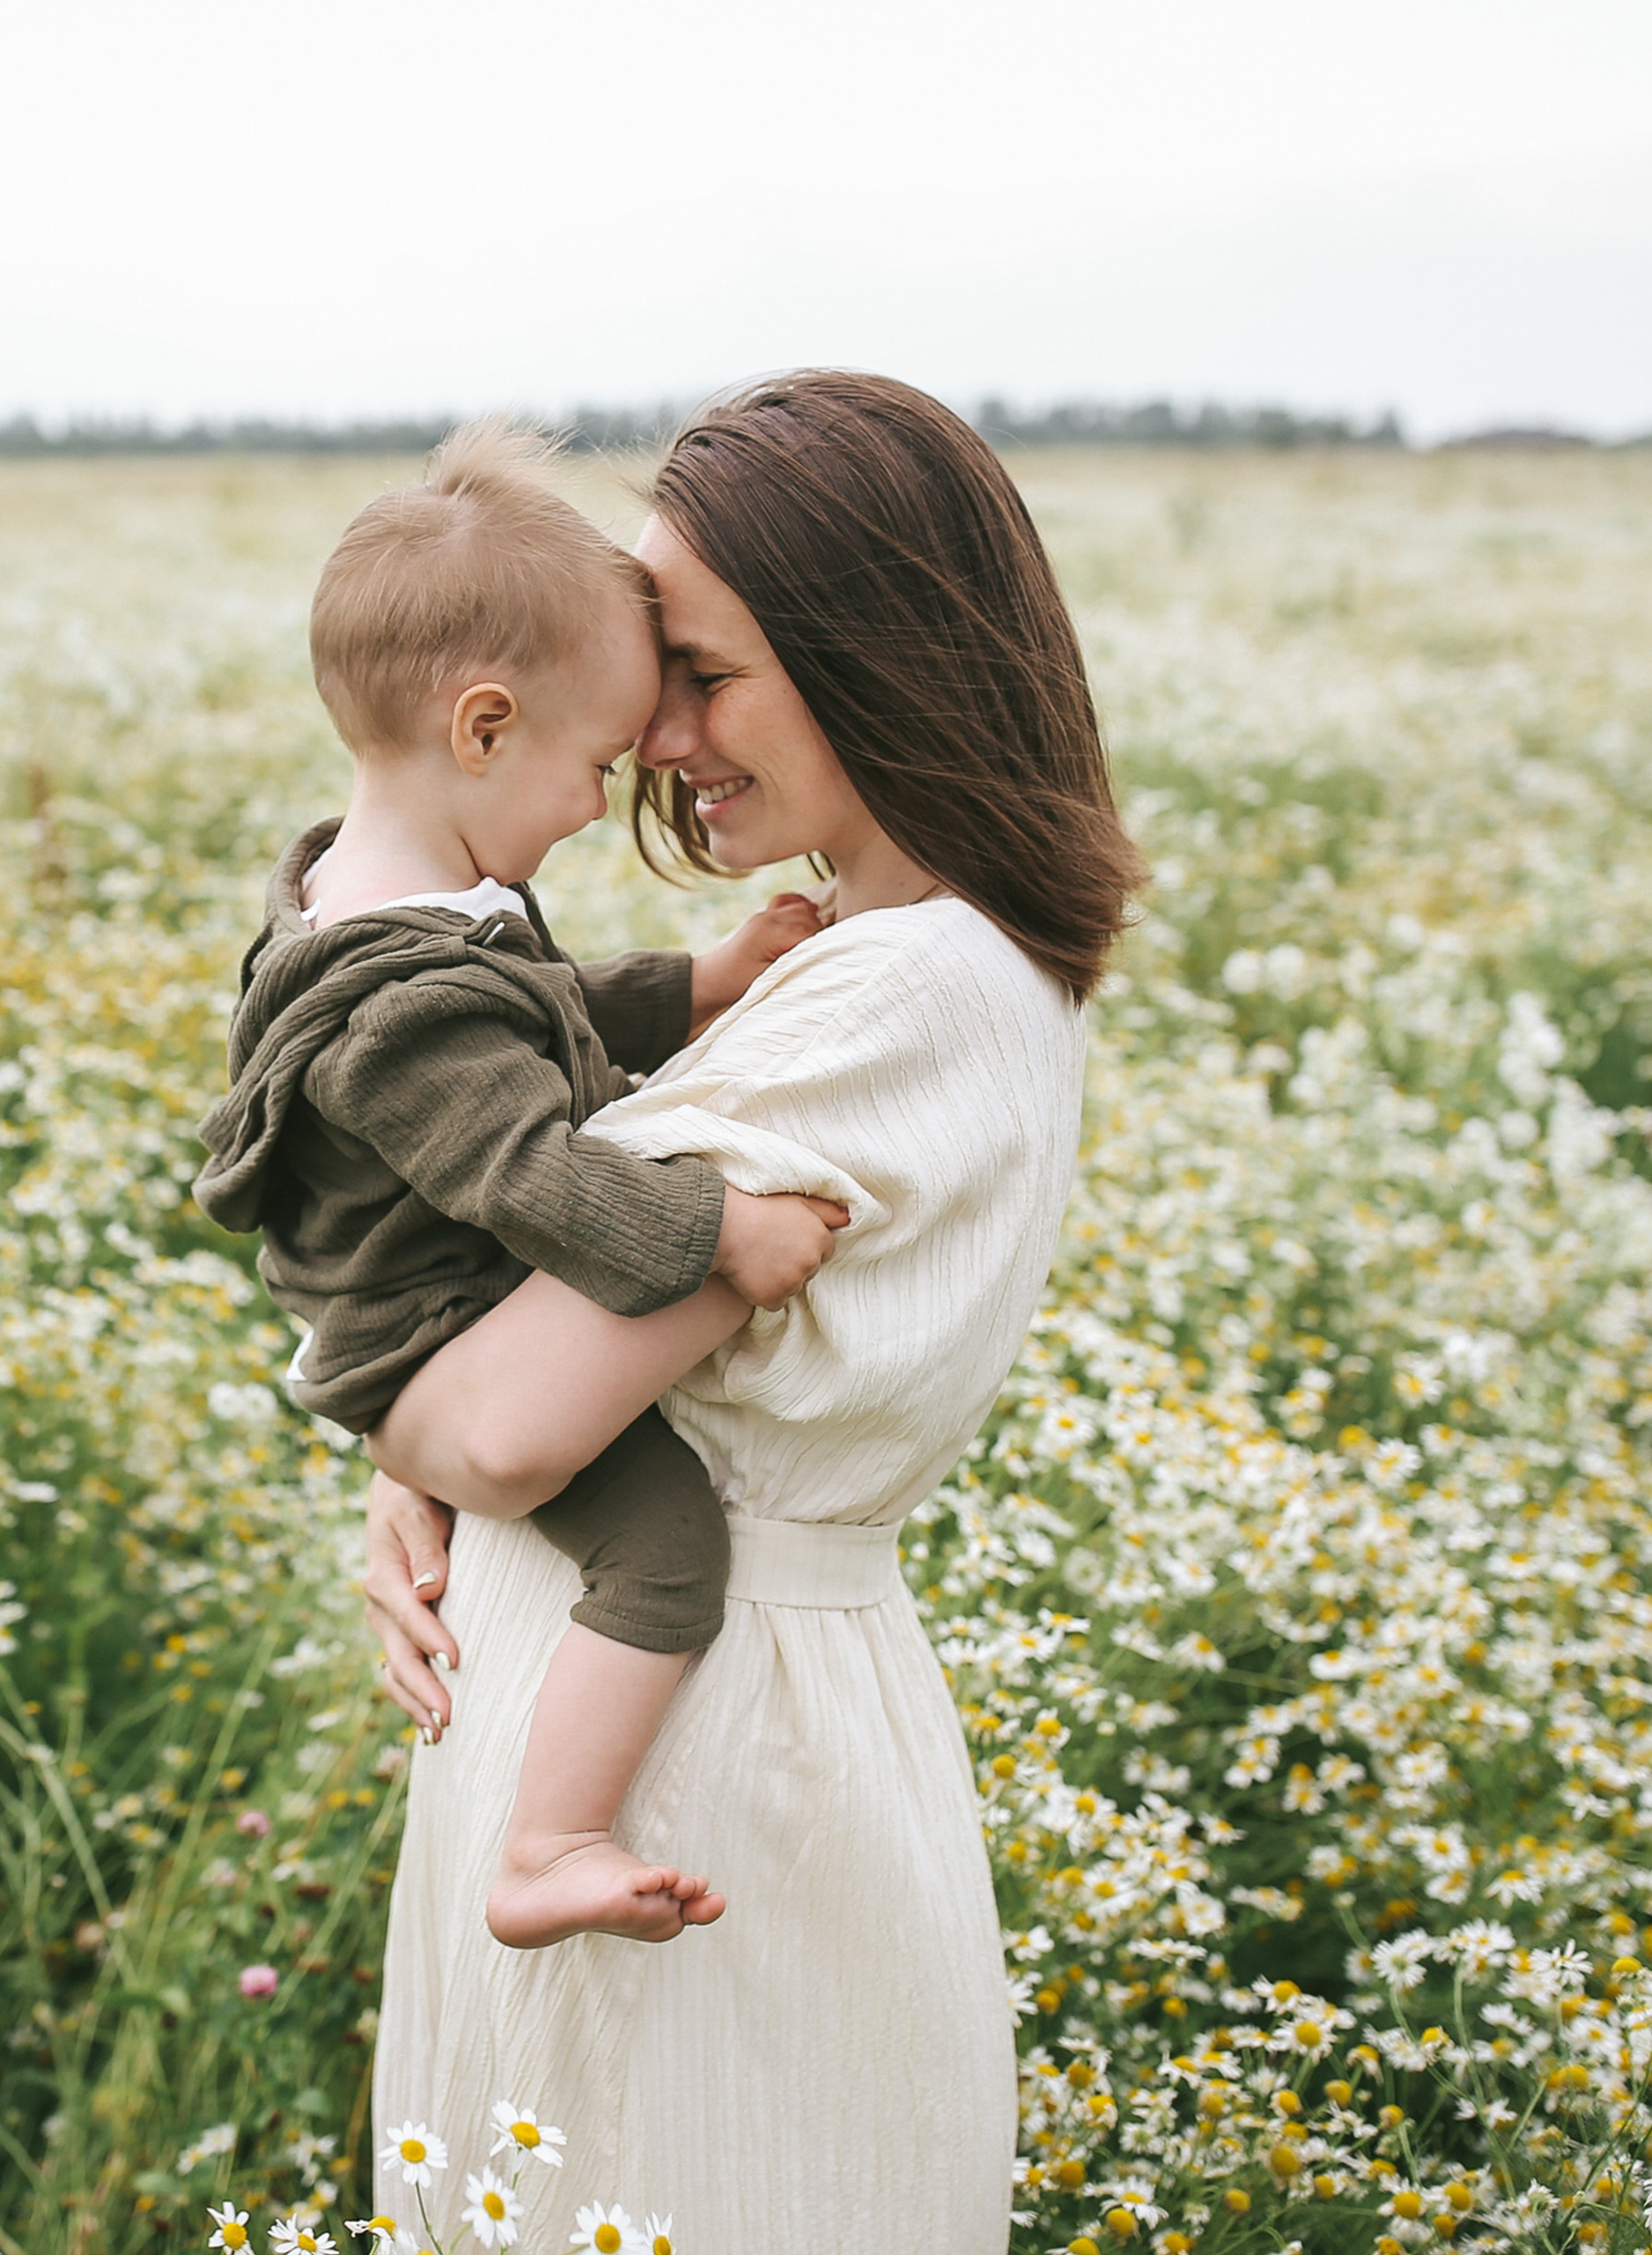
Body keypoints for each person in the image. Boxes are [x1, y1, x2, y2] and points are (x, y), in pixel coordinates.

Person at [362, 372, 1146, 2247]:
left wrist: (395, 1434)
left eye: (703, 674)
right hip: (651, 1720)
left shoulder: (903, 989)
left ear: (875, 658)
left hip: (698, 1761)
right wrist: (423, 1464)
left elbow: (508, 1423)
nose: (653, 735)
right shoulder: (882, 959)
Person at [193, 421, 850, 1950]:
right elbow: (533, 1170)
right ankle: (549, 1844)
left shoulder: (386, 911)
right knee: (666, 1551)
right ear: (483, 728)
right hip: (438, 1331)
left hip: (430, 1318)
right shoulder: (401, 1006)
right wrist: (723, 1233)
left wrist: (701, 981)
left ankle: (551, 1835)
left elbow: (540, 1013)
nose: (600, 803)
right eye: (596, 765)